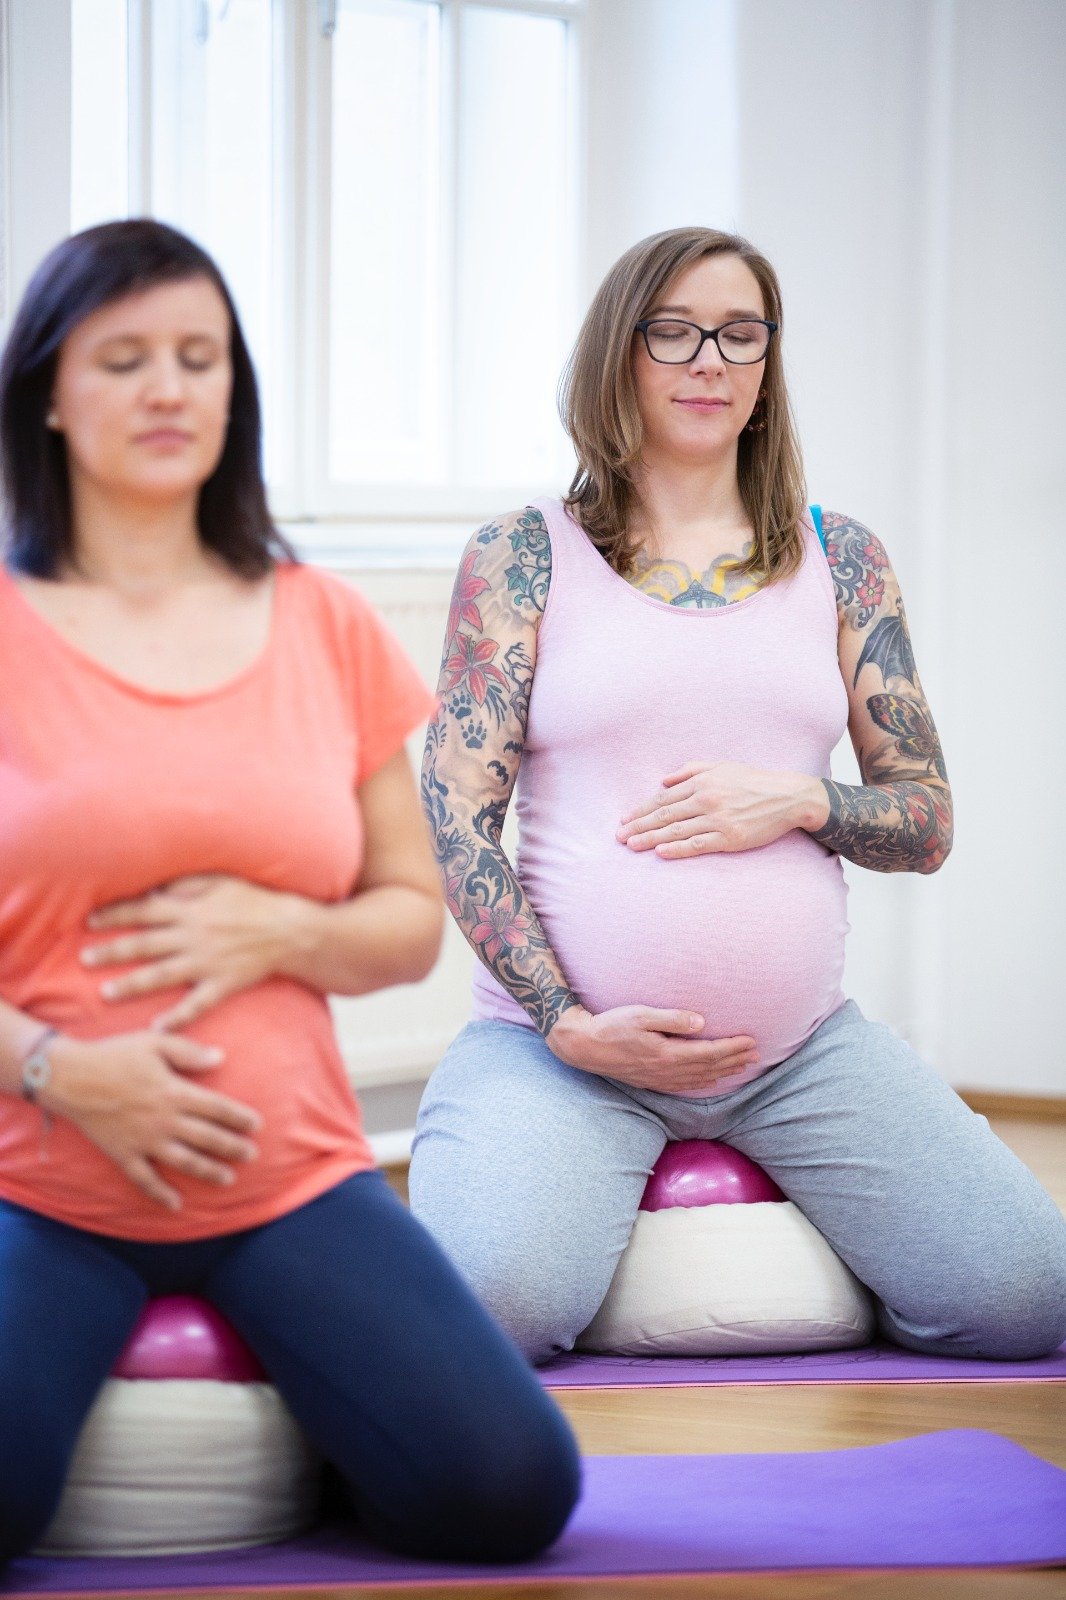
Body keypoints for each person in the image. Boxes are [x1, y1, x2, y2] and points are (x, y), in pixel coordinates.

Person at [0, 220, 579, 1564]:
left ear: (231, 390)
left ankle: (334, 1419)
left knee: (506, 1494)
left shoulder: (320, 620)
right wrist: (59, 1072)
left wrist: (288, 928)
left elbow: (405, 920)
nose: (167, 389)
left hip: (291, 1183)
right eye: (125, 357)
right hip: (41, 1182)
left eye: (198, 357)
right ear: (47, 390)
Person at [410, 225, 1066, 1365]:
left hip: (797, 1054)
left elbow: (924, 817)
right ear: (619, 355)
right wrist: (567, 1023)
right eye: (672, 330)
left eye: (739, 333)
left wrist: (802, 800)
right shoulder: (523, 555)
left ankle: (831, 1258)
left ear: (767, 366)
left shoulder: (842, 557)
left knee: (1027, 1298)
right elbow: (458, 817)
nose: (707, 358)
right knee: (495, 1312)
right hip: (559, 1050)